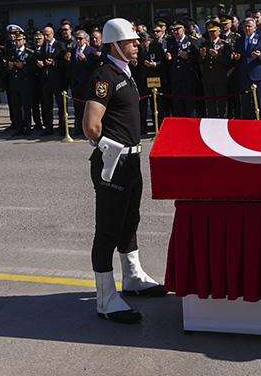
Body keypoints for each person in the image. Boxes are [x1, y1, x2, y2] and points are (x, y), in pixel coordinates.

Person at [83, 18, 166, 325]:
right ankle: (105, 299)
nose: (137, 44)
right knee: (107, 230)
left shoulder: (125, 73)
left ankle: (132, 277)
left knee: (130, 220)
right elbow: (91, 124)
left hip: (132, 160)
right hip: (114, 163)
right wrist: (109, 149)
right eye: (131, 41)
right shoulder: (104, 76)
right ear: (114, 45)